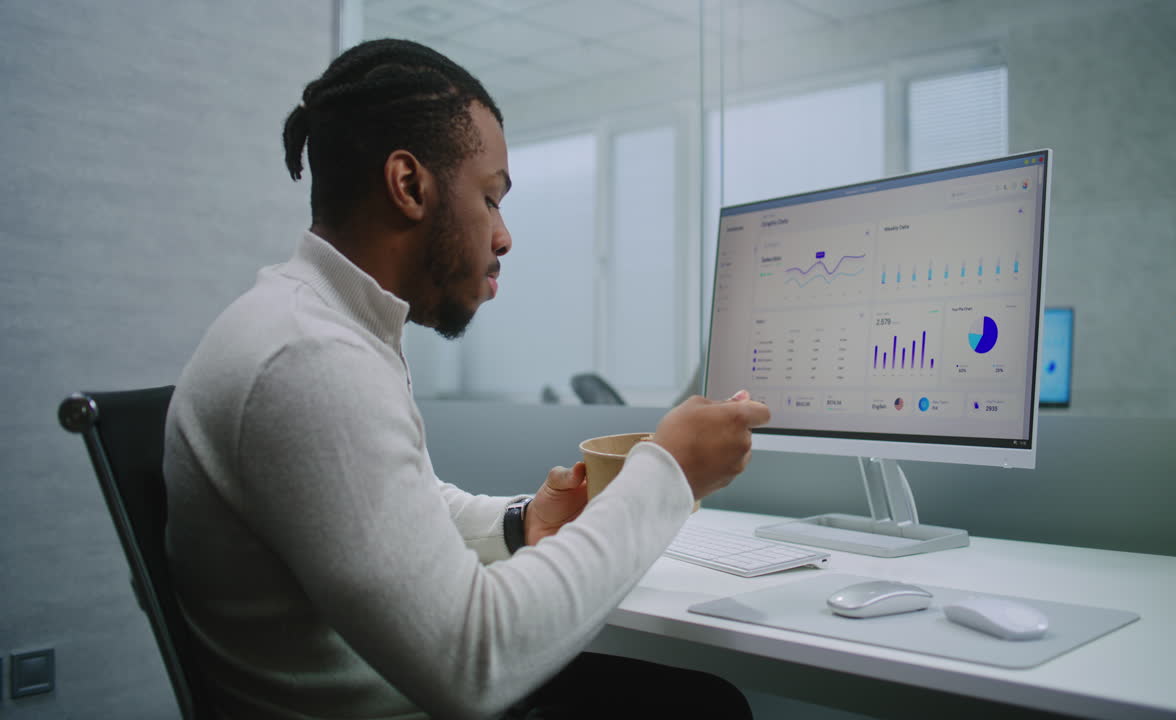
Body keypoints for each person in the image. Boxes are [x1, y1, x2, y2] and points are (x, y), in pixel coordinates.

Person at [163, 38, 771, 719]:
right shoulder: (308, 360)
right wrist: (668, 475)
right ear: (410, 185)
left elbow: (396, 508)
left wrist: (521, 523)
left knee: (691, 699)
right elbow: (473, 666)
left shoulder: (321, 327)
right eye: (490, 198)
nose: (504, 236)